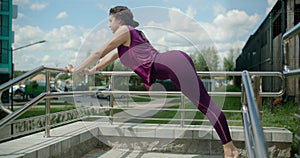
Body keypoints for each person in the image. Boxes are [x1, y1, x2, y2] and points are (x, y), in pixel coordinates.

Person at [65, 6, 239, 158]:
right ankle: (229, 150)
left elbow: (98, 53)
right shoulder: (131, 36)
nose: (109, 25)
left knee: (206, 106)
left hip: (174, 63)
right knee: (204, 106)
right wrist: (91, 70)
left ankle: (230, 151)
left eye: (110, 21)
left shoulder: (124, 30)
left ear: (119, 19)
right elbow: (110, 56)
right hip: (174, 64)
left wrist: (76, 70)